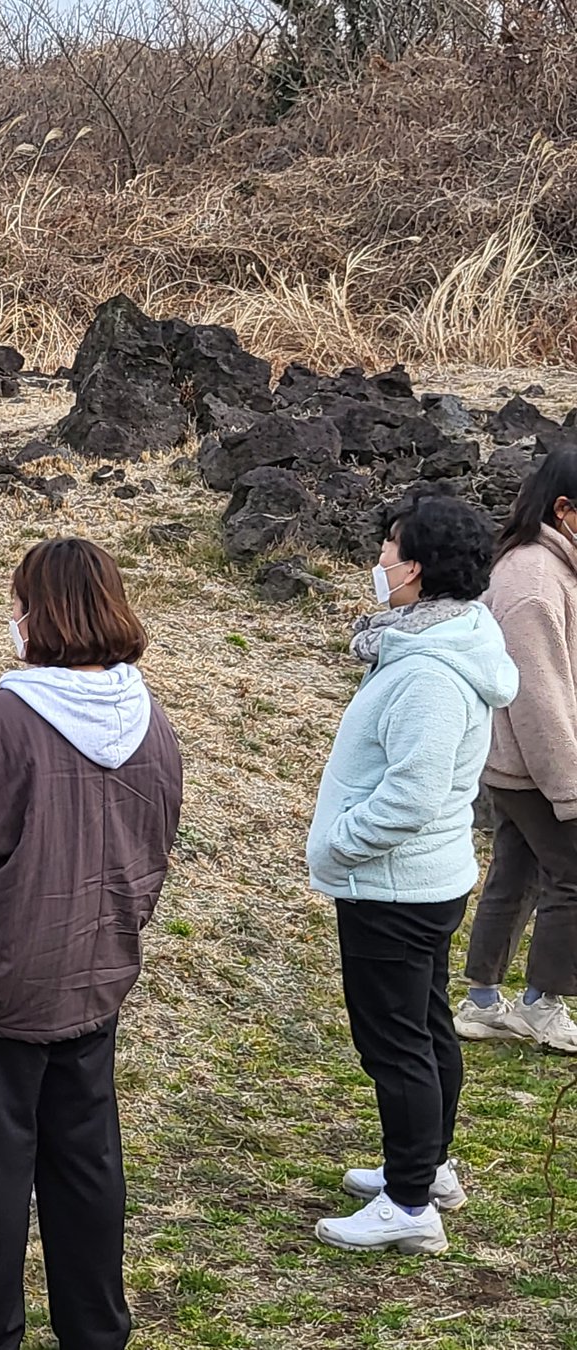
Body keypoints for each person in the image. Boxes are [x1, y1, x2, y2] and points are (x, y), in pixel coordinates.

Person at [0, 537, 181, 1350]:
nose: (10, 616)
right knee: (87, 1159)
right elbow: (156, 842)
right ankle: (96, 1331)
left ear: (41, 614)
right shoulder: (150, 717)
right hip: (97, 972)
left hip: (0, 977)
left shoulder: (5, 721)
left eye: (17, 601)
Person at [308, 493, 517, 1254]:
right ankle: (426, 1169)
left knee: (396, 1045)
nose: (380, 564)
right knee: (426, 1031)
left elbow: (412, 792)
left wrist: (340, 845)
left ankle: (407, 1205)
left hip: (394, 887)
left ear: (418, 569)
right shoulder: (452, 638)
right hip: (426, 881)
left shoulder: (430, 672)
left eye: (390, 550)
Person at [456, 450, 577, 1053]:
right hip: (533, 764)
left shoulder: (539, 566)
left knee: (517, 872)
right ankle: (542, 1003)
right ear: (564, 509)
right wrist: (570, 790)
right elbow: (541, 698)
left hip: (516, 761)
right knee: (573, 874)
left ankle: (481, 1000)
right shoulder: (535, 582)